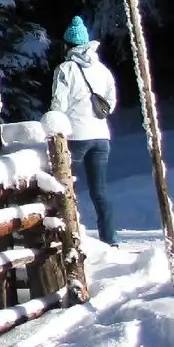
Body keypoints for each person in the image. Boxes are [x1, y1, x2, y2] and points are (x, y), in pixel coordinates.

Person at [49, 16, 118, 245]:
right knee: (100, 192)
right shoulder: (103, 70)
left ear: (67, 45)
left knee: (64, 187)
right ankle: (110, 238)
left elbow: (58, 106)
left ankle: (69, 235)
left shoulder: (65, 69)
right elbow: (111, 103)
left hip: (75, 137)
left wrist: (53, 124)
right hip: (101, 136)